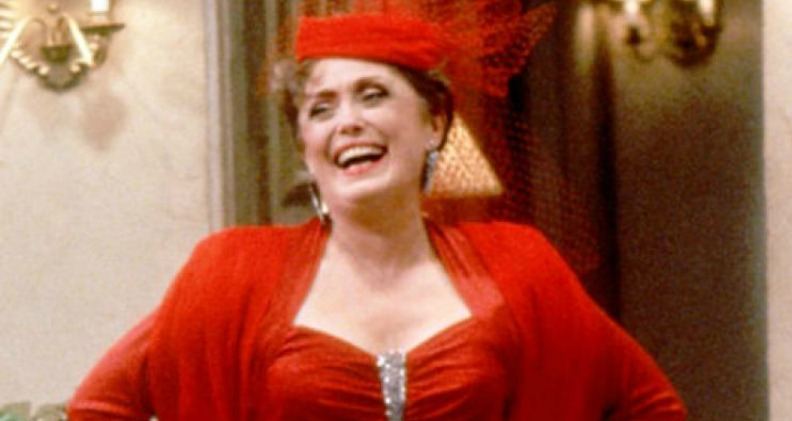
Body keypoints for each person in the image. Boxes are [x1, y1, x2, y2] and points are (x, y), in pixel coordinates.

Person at [68, 1, 687, 420]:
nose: (348, 122)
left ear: (434, 122)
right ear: (306, 147)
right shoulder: (232, 273)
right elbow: (99, 409)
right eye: (321, 108)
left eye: (372, 95)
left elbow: (651, 407)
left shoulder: (518, 267)